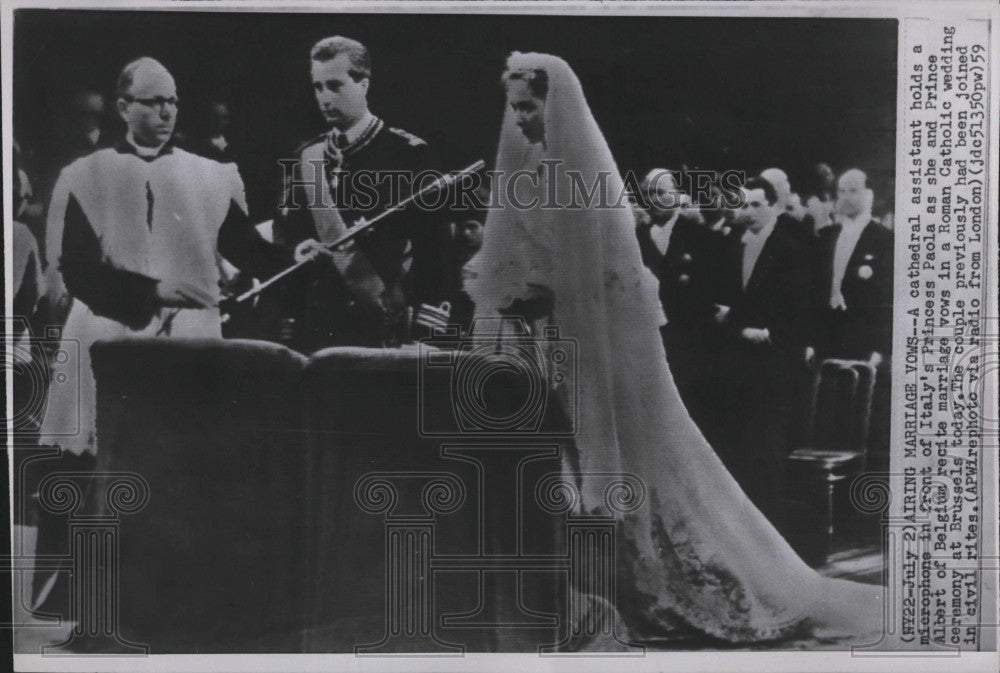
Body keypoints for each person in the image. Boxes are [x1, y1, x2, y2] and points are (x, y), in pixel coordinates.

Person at [466, 51, 881, 646]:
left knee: (622, 467)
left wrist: (533, 288)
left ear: (556, 106)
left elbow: (599, 278)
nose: (521, 118)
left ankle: (636, 588)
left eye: (530, 106)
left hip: (588, 352)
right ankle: (563, 592)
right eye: (514, 107)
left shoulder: (583, 176)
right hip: (538, 347)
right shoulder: (525, 173)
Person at [41, 57, 290, 457]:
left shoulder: (209, 174)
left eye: (172, 101)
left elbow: (244, 248)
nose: (166, 111)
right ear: (123, 108)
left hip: (190, 336)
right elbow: (78, 270)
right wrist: (154, 291)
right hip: (111, 330)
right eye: (153, 101)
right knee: (110, 461)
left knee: (183, 456)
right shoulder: (86, 174)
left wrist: (295, 254)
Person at [258, 36, 459, 351]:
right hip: (317, 329)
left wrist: (427, 333)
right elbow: (285, 231)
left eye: (335, 86)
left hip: (381, 328)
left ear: (363, 84)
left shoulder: (407, 154)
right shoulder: (306, 156)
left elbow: (436, 251)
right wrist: (299, 248)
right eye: (318, 86)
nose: (324, 98)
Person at [713, 177, 812, 522]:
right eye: (744, 205)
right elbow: (721, 302)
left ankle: (771, 522)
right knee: (737, 443)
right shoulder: (731, 245)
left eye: (757, 204)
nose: (749, 211)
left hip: (773, 360)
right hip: (737, 359)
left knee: (767, 445)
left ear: (772, 205)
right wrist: (738, 324)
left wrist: (756, 326)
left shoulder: (789, 248)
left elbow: (795, 307)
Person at [634, 167, 723, 440]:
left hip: (690, 344)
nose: (654, 199)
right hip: (649, 341)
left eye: (661, 192)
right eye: (648, 193)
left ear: (677, 195)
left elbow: (710, 292)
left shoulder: (701, 237)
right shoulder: (634, 238)